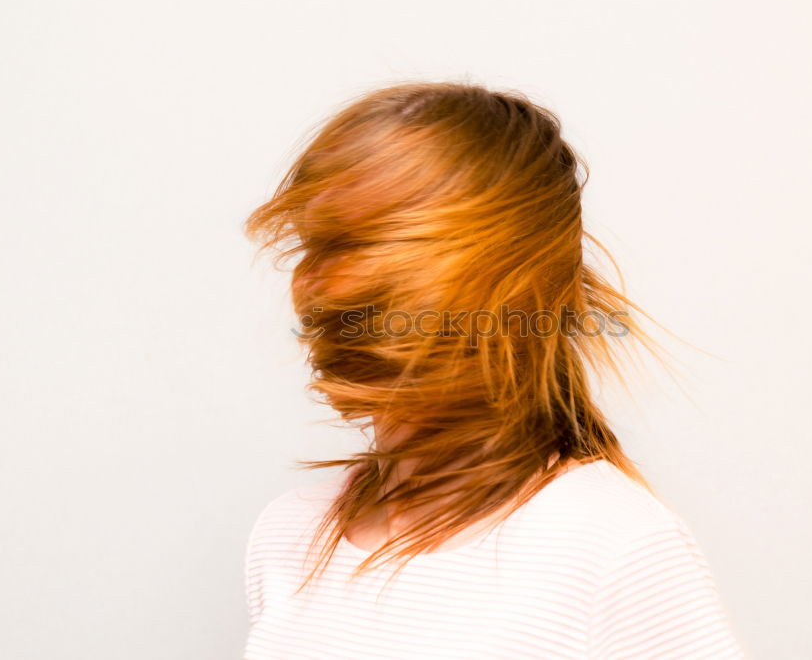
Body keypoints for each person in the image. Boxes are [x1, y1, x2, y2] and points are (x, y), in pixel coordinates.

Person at [242, 80, 743, 659]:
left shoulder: (613, 547)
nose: (337, 287)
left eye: (398, 251)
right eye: (323, 245)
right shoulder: (287, 536)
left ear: (517, 290)